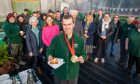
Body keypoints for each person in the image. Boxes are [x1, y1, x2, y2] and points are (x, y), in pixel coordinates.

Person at [46, 15, 86, 84]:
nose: (67, 27)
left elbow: (83, 53)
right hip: (59, 73)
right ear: (62, 25)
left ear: (73, 24)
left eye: (69, 24)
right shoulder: (56, 39)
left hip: (73, 74)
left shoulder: (80, 40)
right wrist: (49, 56)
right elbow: (49, 51)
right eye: (64, 24)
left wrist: (82, 58)